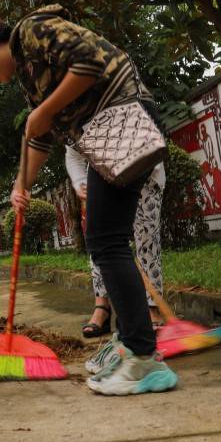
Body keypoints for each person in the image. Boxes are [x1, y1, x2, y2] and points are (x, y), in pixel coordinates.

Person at [0, 8, 178, 396]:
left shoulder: (30, 32)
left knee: (106, 242)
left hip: (121, 123)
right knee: (107, 242)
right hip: (108, 134)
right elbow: (41, 135)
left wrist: (43, 110)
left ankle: (143, 357)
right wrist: (20, 183)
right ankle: (131, 343)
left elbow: (88, 60)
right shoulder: (29, 73)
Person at [65, 146, 166, 346]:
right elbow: (72, 153)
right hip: (103, 179)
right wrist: (80, 183)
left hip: (143, 171)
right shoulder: (74, 117)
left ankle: (150, 308)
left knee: (147, 241)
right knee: (100, 242)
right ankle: (102, 306)